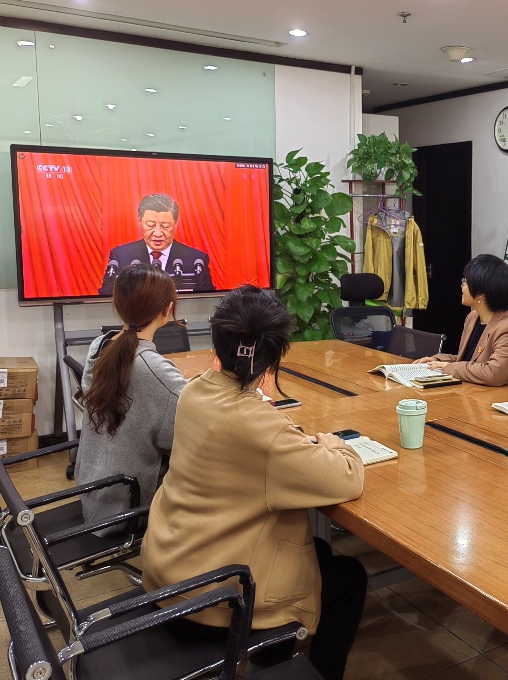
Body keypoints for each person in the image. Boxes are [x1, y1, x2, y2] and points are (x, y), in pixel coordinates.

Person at [141, 285, 366, 680]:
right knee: (349, 578)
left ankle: (272, 656)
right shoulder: (263, 430)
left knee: (317, 552)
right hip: (213, 596)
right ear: (275, 356)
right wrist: (335, 444)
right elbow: (346, 479)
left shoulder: (194, 391)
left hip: (169, 566)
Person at [75, 264, 187, 530]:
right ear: (167, 310)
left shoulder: (101, 345)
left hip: (95, 496)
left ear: (117, 304)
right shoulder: (154, 370)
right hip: (126, 509)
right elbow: (187, 436)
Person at [415, 254, 508, 386]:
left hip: (495, 399)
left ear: (481, 294)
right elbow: (467, 361)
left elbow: (493, 373)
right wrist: (436, 360)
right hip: (470, 393)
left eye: (465, 282)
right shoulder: (472, 317)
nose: (462, 286)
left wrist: (446, 367)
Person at [99, 193, 214, 295]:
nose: (158, 233)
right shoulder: (121, 256)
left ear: (175, 224)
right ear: (140, 221)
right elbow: (104, 299)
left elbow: (207, 300)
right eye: (150, 225)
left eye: (165, 226)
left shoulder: (196, 259)